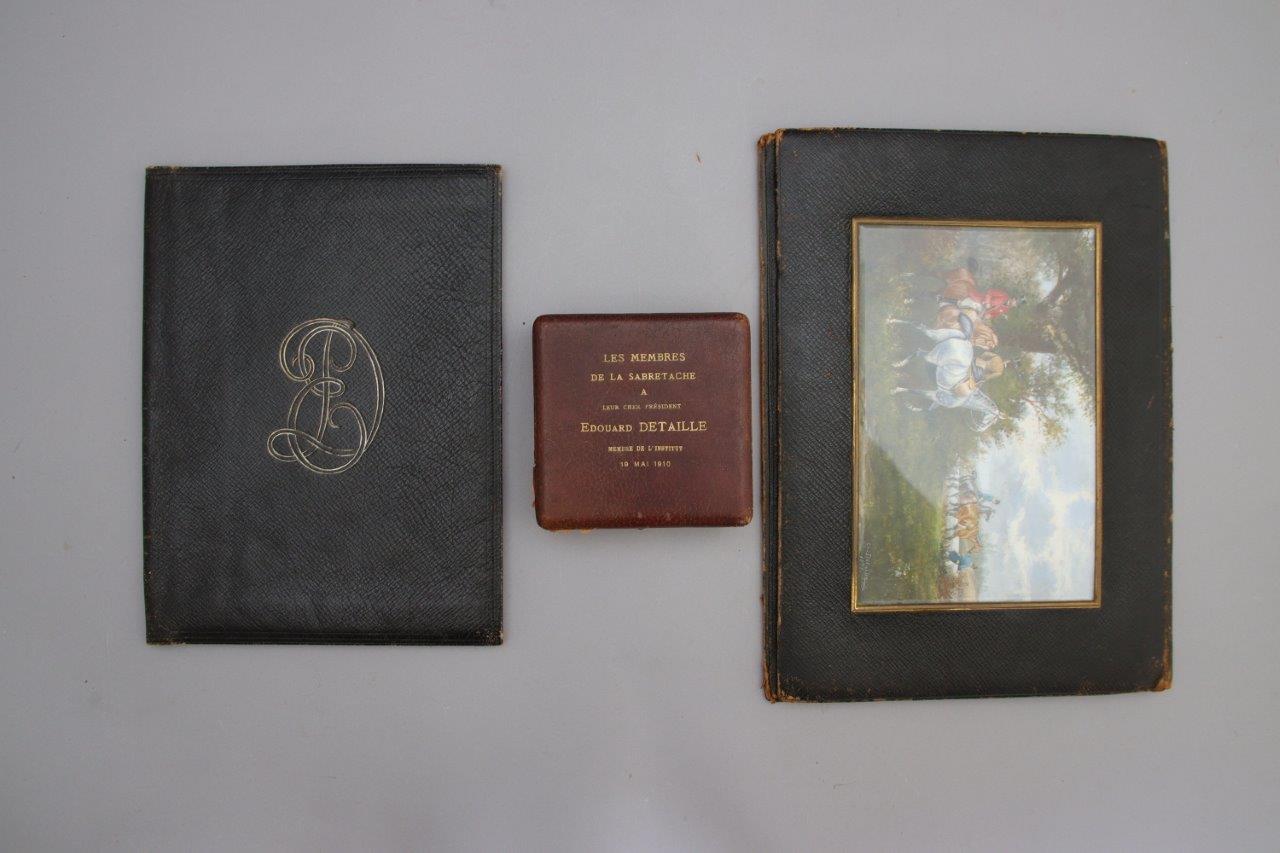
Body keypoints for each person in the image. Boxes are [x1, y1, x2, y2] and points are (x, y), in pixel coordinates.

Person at [940, 261, 1018, 321]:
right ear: (1013, 298)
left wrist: (989, 316)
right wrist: (987, 302)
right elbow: (990, 292)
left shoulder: (1006, 309)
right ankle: (944, 299)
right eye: (1015, 301)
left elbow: (995, 313)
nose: (1014, 303)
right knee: (968, 303)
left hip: (982, 312)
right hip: (980, 300)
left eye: (1016, 304)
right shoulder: (1003, 295)